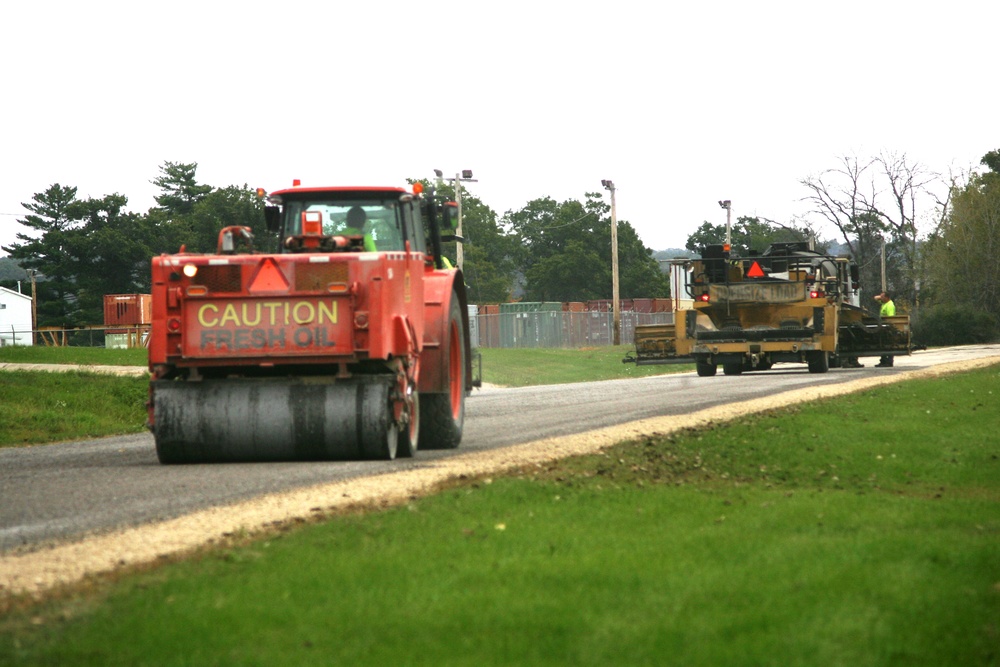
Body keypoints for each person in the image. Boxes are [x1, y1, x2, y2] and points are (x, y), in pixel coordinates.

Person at [874, 291, 896, 367]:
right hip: (883, 327)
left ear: (887, 298)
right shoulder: (884, 303)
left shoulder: (890, 305)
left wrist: (888, 327)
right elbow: (875, 298)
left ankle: (889, 361)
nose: (881, 298)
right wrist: (880, 297)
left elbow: (890, 318)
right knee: (882, 344)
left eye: (882, 297)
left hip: (888, 328)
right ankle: (883, 361)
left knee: (888, 345)